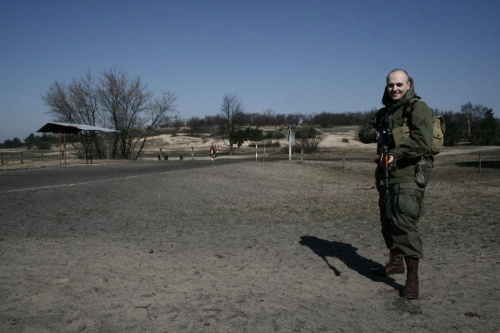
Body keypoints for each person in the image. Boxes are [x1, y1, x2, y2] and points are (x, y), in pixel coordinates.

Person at [359, 69, 434, 300]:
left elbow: (423, 142)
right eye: (391, 85)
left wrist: (396, 154)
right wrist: (377, 135)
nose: (395, 89)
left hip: (408, 175)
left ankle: (412, 281)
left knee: (404, 225)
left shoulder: (417, 108)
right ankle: (394, 264)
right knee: (388, 222)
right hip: (386, 176)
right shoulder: (384, 112)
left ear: (409, 84)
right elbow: (363, 132)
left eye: (399, 84)